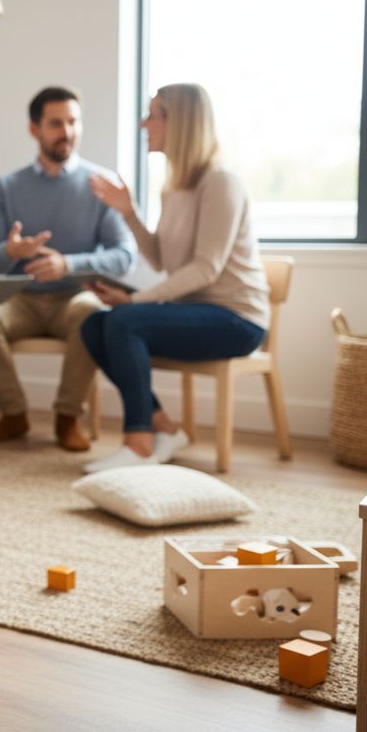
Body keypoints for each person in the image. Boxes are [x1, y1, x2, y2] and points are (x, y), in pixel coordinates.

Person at [82, 83, 270, 472]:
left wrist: (133, 302)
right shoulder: (175, 188)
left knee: (122, 320)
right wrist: (130, 213)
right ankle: (164, 428)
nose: (143, 123)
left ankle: (139, 444)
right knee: (94, 325)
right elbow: (165, 260)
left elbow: (206, 268)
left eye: (152, 114)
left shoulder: (220, 183)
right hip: (197, 310)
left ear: (179, 121)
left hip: (237, 318)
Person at [0, 86, 137, 451]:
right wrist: (9, 250)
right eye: (56, 123)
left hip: (74, 298)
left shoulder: (100, 185)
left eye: (73, 121)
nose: (67, 131)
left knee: (91, 312)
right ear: (35, 129)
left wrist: (68, 264)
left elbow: (125, 255)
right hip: (21, 299)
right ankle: (14, 414)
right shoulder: (7, 187)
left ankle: (67, 418)